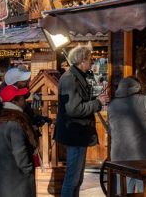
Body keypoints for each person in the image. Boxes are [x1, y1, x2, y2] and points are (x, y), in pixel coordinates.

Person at [55, 45, 106, 197]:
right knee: (73, 177)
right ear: (82, 61)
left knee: (77, 177)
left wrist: (96, 100)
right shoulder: (70, 78)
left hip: (78, 133)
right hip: (75, 133)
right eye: (90, 59)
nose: (91, 62)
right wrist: (97, 103)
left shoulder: (76, 76)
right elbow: (74, 109)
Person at [0, 84, 37, 197]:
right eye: (22, 98)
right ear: (14, 102)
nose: (25, 101)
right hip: (17, 179)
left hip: (4, 176)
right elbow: (20, 153)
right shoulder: (15, 123)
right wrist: (28, 170)